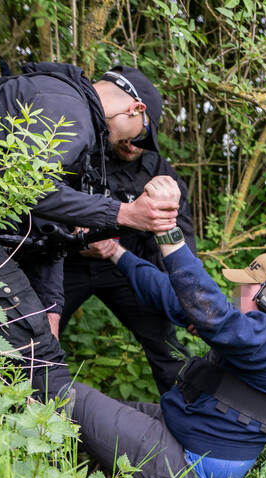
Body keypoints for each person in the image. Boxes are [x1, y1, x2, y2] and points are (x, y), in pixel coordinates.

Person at [0, 61, 180, 399]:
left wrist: (52, 307)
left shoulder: (59, 101)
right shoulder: (69, 113)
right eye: (142, 132)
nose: (134, 142)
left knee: (3, 346)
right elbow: (33, 189)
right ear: (135, 109)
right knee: (37, 355)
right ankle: (55, 443)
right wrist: (125, 212)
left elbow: (46, 229)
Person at [63, 177, 266, 478]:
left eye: (245, 287)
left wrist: (168, 232)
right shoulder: (254, 330)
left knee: (69, 397)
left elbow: (212, 314)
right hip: (187, 437)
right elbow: (173, 296)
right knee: (103, 412)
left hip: (190, 465)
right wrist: (116, 252)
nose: (237, 292)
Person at [61, 66, 197, 395]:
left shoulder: (158, 170)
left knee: (166, 346)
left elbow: (177, 236)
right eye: (131, 137)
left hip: (124, 267)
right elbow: (46, 201)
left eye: (141, 139)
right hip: (68, 265)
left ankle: (192, 416)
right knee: (36, 330)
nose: (133, 144)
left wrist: (188, 298)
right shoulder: (78, 150)